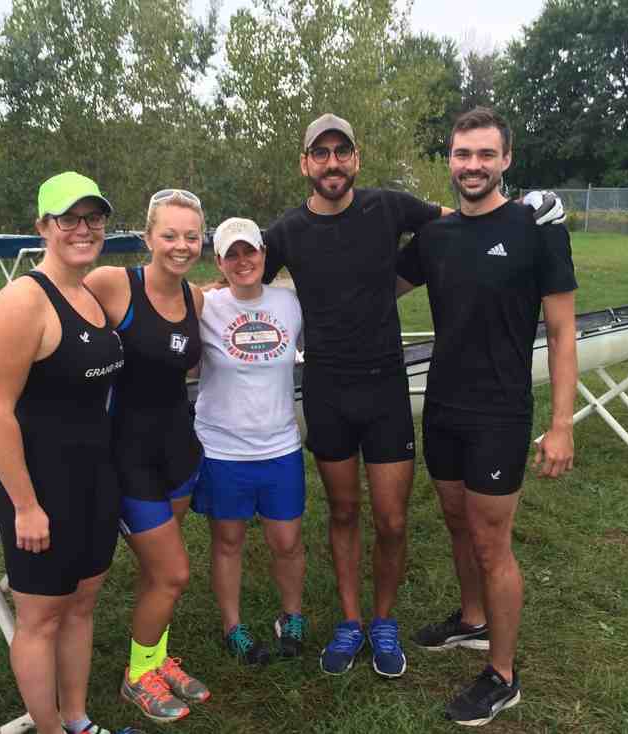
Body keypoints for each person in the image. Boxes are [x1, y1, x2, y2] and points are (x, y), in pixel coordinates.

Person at [261, 113, 565, 679]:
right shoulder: (286, 231)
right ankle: (350, 621)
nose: (332, 163)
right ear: (305, 163)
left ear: (357, 158)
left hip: (385, 388)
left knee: (393, 521)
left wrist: (525, 214)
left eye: (342, 151)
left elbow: (462, 218)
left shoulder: (390, 207)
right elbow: (239, 279)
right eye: (320, 153)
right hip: (326, 389)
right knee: (343, 512)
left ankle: (383, 620)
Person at [396, 106, 577, 727]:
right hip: (442, 405)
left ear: (506, 160)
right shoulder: (436, 236)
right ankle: (472, 621)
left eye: (484, 155)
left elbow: (562, 330)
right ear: (449, 159)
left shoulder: (535, 229)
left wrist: (562, 423)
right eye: (462, 154)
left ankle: (502, 675)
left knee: (491, 543)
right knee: (456, 522)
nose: (472, 166)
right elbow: (375, 287)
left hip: (499, 411)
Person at [0, 171, 143, 734]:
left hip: (95, 480)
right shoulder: (23, 301)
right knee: (41, 619)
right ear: (43, 226)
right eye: (68, 218)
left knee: (81, 605)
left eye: (93, 218)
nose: (83, 229)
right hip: (41, 488)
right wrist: (25, 505)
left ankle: (77, 720)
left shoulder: (89, 294)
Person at [85, 190, 208, 723]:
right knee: (173, 572)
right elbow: (54, 308)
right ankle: (137, 676)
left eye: (192, 236)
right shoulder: (114, 284)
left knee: (158, 573)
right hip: (128, 456)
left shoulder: (196, 298)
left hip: (179, 451)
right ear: (147, 237)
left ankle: (156, 661)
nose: (181, 246)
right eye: (170, 235)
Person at [192, 217, 306, 664]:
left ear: (263, 254)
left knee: (287, 541)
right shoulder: (205, 305)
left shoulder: (290, 303)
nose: (243, 261)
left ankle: (291, 616)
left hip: (280, 446)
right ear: (220, 262)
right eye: (232, 254)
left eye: (250, 251)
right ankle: (232, 627)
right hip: (223, 449)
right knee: (228, 541)